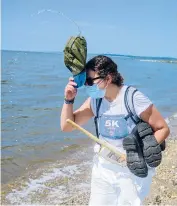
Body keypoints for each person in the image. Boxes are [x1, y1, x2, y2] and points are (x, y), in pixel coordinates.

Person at [60, 55, 170, 206]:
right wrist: (68, 99)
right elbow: (67, 126)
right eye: (86, 81)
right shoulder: (95, 101)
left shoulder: (132, 98)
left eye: (91, 81)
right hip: (103, 168)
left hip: (131, 172)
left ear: (108, 78)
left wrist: (140, 154)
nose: (88, 85)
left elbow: (162, 128)